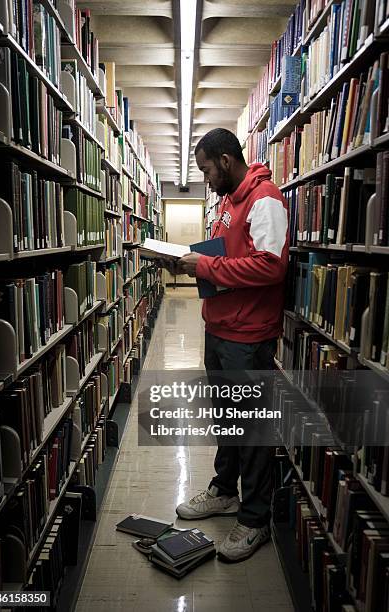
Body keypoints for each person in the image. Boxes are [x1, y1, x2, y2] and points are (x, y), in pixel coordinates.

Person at [175, 128, 289, 562]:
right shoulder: (226, 201)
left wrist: (206, 264)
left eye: (206, 169)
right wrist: (196, 264)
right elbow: (228, 256)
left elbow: (270, 266)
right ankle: (224, 491)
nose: (204, 178)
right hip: (219, 327)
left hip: (248, 335)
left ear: (225, 160)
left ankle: (255, 519)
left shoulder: (265, 199)